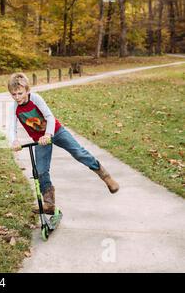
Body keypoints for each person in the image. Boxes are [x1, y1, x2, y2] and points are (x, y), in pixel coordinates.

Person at [8, 73, 119, 214]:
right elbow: (12, 126)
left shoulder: (35, 98)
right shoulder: (14, 107)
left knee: (78, 152)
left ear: (27, 90)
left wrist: (48, 134)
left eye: (20, 93)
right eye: (13, 94)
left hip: (56, 131)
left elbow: (49, 117)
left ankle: (105, 176)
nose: (17, 97)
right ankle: (49, 203)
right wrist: (14, 140)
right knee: (41, 171)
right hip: (40, 140)